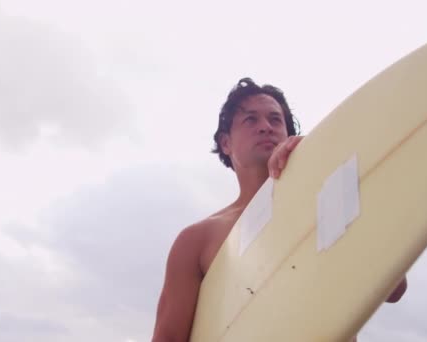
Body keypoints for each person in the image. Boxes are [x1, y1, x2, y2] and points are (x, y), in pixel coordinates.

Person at [151, 78, 407, 342]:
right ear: (226, 143)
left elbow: (395, 288)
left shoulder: (326, 201)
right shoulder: (197, 241)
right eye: (251, 120)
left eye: (275, 120)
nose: (265, 127)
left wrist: (320, 168)